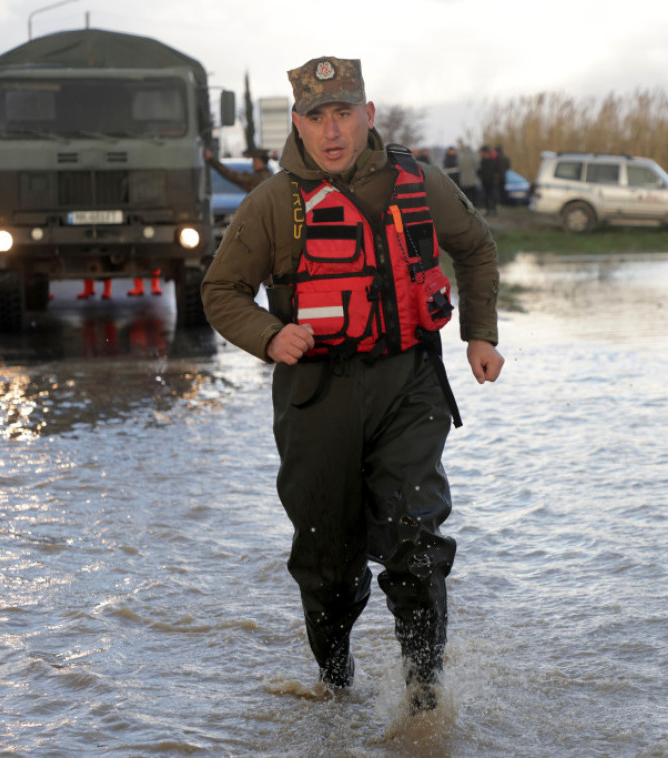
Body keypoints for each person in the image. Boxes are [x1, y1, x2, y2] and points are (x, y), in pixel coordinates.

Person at [201, 57, 504, 712]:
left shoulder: (418, 183)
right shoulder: (273, 205)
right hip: (316, 398)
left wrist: (480, 334)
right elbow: (220, 292)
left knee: (414, 536)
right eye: (317, 117)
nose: (332, 130)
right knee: (327, 564)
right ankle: (335, 687)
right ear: (299, 125)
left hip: (408, 384)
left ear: (369, 115)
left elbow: (476, 247)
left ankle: (424, 702)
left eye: (344, 113)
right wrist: (267, 335)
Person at [204, 147, 272, 193]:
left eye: (255, 161)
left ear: (261, 162)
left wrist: (211, 160)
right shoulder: (269, 175)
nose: (253, 164)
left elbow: (232, 175)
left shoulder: (257, 177)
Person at [478, 145, 500, 215]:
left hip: (491, 181)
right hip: (485, 181)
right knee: (487, 195)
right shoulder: (482, 161)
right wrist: (480, 176)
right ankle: (488, 210)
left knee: (492, 195)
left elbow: (497, 170)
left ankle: (493, 210)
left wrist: (495, 177)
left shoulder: (492, 161)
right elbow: (479, 171)